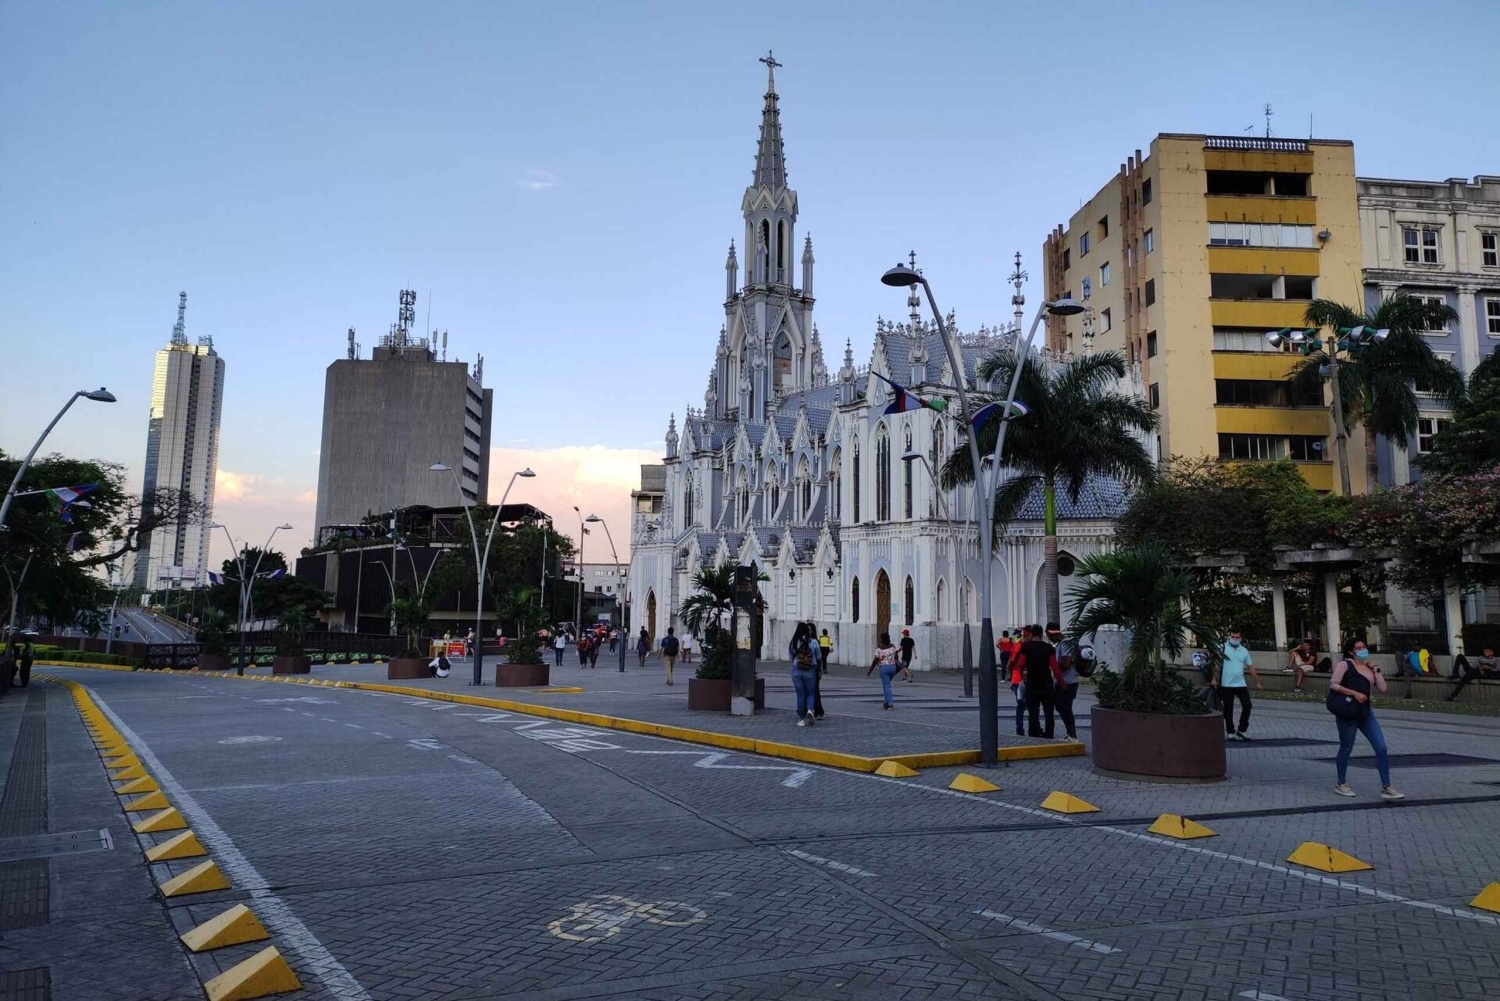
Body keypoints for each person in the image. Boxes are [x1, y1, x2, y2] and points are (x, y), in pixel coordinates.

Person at [1329, 637, 1405, 800]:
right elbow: (1333, 684)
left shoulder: (1368, 668)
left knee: (1381, 747)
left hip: (1365, 713)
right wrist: (1354, 693)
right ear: (1351, 651)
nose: (1363, 649)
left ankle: (1387, 786)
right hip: (1348, 712)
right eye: (1359, 647)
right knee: (1346, 747)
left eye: (1364, 646)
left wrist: (1376, 670)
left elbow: (1383, 688)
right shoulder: (1345, 665)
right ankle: (1341, 783)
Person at [1218, 629, 1262, 741]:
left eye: (1237, 637)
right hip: (1226, 684)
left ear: (1240, 638)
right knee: (1228, 708)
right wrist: (1214, 679)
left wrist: (1257, 682)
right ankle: (1230, 731)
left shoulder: (1244, 650)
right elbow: (1216, 664)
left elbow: (1250, 667)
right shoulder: (1222, 648)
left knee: (1247, 705)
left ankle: (1242, 729)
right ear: (1229, 637)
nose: (1235, 639)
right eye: (1233, 637)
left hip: (1240, 683)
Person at [1019, 625, 1056, 738]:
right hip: (1046, 683)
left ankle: (1034, 733)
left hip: (1032, 682)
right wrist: (1062, 682)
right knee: (1049, 712)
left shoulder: (1026, 646)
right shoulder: (1048, 647)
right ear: (1041, 634)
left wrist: (1022, 675)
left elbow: (1021, 664)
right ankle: (1049, 734)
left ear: (1031, 634)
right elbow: (1054, 666)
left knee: (1033, 712)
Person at [1046, 622, 1079, 742]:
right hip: (1067, 682)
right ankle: (1070, 733)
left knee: (1064, 708)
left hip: (1067, 682)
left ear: (1049, 633)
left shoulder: (1064, 644)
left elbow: (1066, 663)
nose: (1048, 638)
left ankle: (1072, 735)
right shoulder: (1061, 644)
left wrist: (1053, 665)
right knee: (1062, 708)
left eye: (1048, 635)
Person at [789, 623, 818, 726]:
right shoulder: (813, 642)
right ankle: (810, 710)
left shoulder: (794, 642)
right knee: (810, 693)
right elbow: (818, 657)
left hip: (796, 669)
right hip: (809, 669)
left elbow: (791, 657)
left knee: (800, 694)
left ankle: (801, 719)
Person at [867, 632, 902, 710]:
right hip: (893, 668)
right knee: (887, 684)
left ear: (882, 641)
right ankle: (886, 702)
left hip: (884, 668)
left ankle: (890, 704)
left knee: (887, 686)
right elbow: (896, 657)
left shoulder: (879, 650)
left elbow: (875, 661)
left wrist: (870, 671)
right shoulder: (893, 647)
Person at [1009, 633, 1026, 737]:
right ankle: (1019, 729)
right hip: (1018, 680)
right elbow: (1010, 664)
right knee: (1021, 706)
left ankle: (1022, 729)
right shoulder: (1018, 646)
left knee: (1025, 706)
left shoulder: (1019, 645)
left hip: (1019, 679)